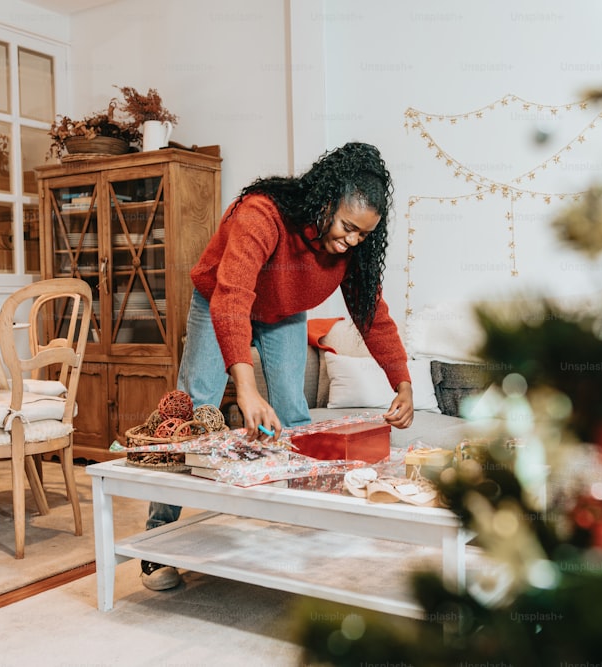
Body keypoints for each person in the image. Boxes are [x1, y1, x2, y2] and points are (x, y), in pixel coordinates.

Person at [141, 142, 414, 591]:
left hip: (284, 310)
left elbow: (372, 314)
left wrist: (401, 382)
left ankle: (305, 525)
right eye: (347, 227)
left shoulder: (352, 249)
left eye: (363, 235)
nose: (351, 241)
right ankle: (155, 543)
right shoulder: (262, 214)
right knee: (193, 412)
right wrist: (245, 388)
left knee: (294, 413)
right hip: (221, 298)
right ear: (325, 201)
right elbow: (232, 298)